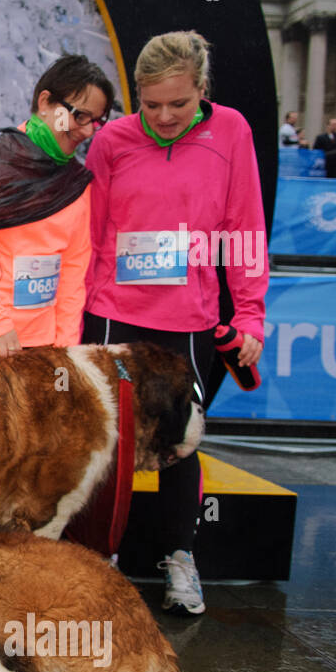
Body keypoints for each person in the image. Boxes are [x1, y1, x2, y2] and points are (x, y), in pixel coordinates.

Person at [82, 30, 267, 616]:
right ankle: (96, 563)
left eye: (178, 104)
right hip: (112, 314)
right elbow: (88, 230)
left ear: (202, 90)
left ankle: (179, 557)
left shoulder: (232, 132)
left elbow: (244, 229)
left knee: (179, 445)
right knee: (105, 441)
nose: (163, 116)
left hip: (188, 319)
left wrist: (251, 314)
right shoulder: (112, 139)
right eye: (151, 104)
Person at [0, 54, 114, 357]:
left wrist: (65, 349)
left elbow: (71, 272)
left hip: (39, 343)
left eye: (96, 121)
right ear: (45, 102)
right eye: (79, 116)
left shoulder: (77, 184)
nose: (87, 131)